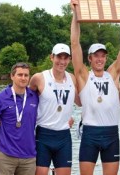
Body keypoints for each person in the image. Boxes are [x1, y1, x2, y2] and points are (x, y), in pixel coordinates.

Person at [70, 0, 120, 174]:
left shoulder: (113, 74)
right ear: (90, 59)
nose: (100, 59)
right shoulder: (83, 75)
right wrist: (75, 14)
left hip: (111, 134)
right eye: (96, 56)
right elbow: (75, 44)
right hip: (90, 134)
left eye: (103, 56)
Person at [29, 43, 81, 175]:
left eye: (65, 58)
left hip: (64, 136)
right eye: (59, 57)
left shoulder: (72, 78)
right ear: (52, 57)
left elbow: (80, 102)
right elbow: (25, 101)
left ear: (69, 59)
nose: (62, 61)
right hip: (43, 135)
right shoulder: (39, 78)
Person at [0, 62, 39, 175]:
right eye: (20, 75)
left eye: (26, 75)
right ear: (12, 76)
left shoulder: (34, 97)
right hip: (5, 155)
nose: (23, 78)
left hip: (28, 157)